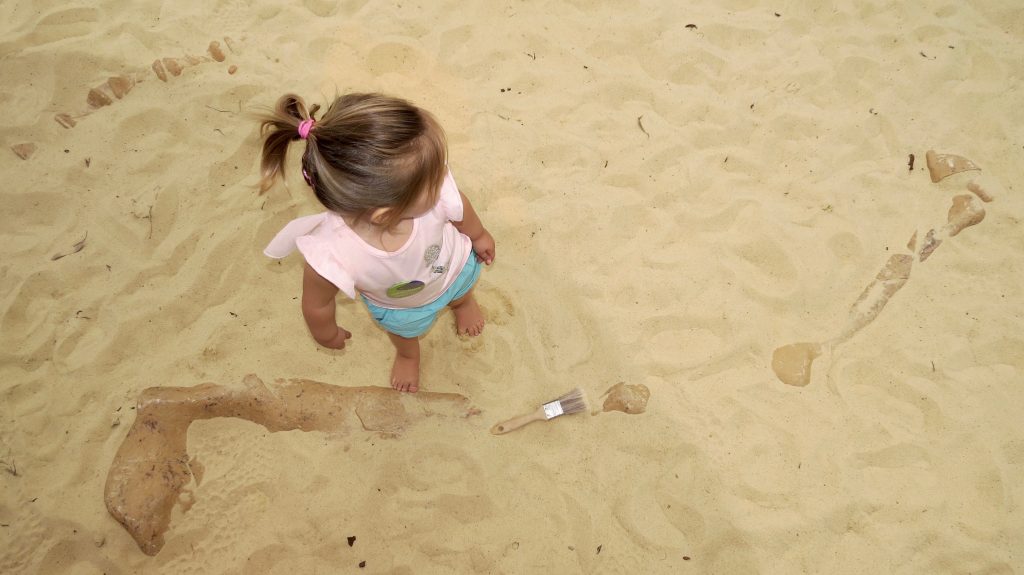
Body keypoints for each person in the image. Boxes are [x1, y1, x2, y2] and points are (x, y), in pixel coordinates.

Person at [259, 93, 495, 393]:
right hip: (402, 308)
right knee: (406, 335)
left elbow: (460, 207)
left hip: (453, 267)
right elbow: (317, 303)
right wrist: (325, 332)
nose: (443, 178)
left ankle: (463, 305)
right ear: (386, 215)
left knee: (462, 290)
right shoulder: (334, 250)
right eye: (435, 177)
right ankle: (408, 355)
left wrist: (478, 235)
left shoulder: (430, 188)